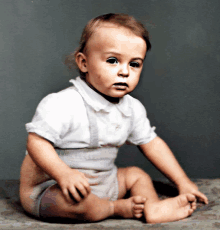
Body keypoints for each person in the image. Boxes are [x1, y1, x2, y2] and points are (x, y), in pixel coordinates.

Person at [20, 13, 208, 224]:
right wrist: (64, 174)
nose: (124, 72)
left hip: (104, 181)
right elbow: (36, 143)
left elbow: (152, 144)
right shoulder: (62, 103)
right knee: (75, 202)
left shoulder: (132, 108)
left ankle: (152, 208)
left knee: (137, 175)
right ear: (84, 63)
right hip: (53, 187)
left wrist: (182, 181)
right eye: (113, 61)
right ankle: (114, 208)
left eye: (134, 64)